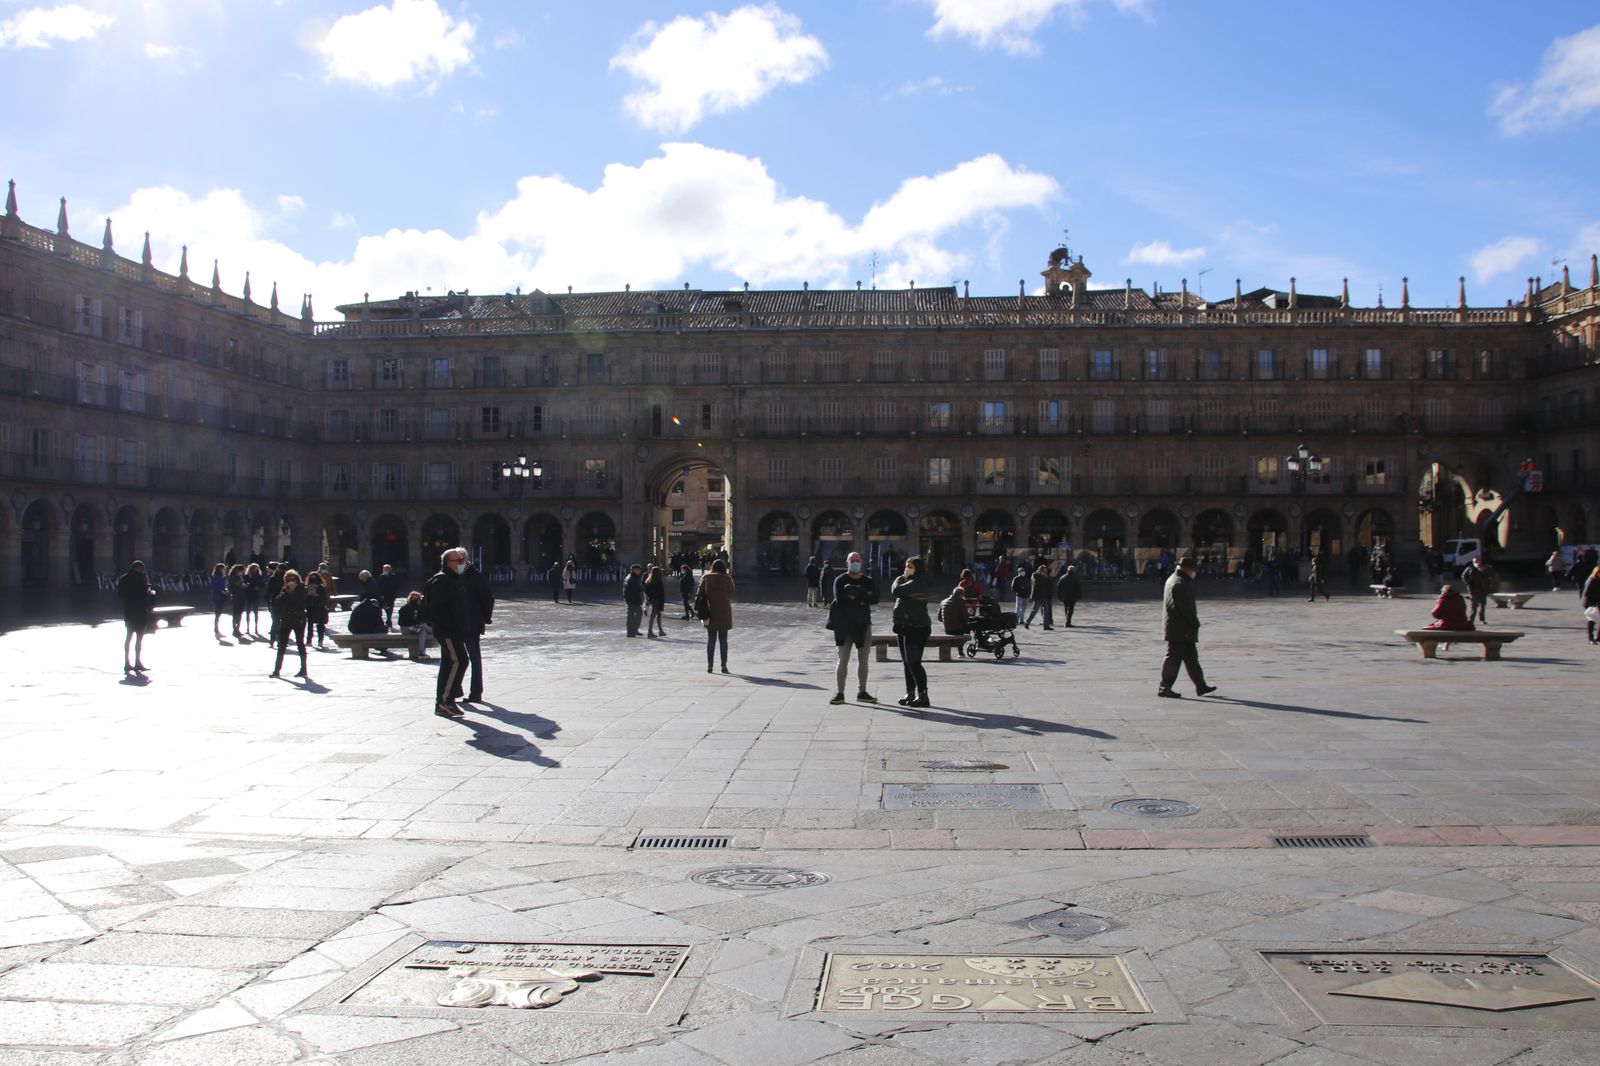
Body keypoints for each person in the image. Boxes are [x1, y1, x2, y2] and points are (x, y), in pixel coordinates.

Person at [1158, 555, 1217, 700]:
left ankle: (1201, 686)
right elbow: (1186, 610)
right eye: (1192, 570)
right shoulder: (1179, 583)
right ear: (1185, 569)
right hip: (1180, 629)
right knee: (1173, 659)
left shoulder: (1173, 579)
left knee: (1191, 659)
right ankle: (1164, 688)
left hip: (1178, 627)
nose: (1193, 573)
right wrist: (1195, 623)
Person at [424, 547, 471, 718]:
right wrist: (451, 626)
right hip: (448, 631)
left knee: (448, 664)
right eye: (458, 561)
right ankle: (446, 700)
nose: (462, 563)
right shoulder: (442, 580)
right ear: (447, 563)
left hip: (455, 630)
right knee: (460, 660)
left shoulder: (454, 579)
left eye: (462, 560)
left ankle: (443, 702)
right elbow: (438, 608)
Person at [828, 551, 879, 705]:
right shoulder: (840, 580)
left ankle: (862, 691)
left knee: (864, 660)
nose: (855, 563)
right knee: (842, 659)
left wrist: (854, 596)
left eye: (857, 560)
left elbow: (875, 598)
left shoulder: (868, 580)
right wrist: (862, 598)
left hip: (863, 624)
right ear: (847, 563)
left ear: (861, 562)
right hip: (844, 625)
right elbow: (840, 600)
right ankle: (840, 693)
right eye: (852, 560)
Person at [890, 556, 932, 708]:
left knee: (913, 662)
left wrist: (900, 578)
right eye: (906, 566)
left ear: (917, 569)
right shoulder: (912, 581)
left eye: (910, 567)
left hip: (916, 627)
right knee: (907, 662)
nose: (906, 569)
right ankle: (910, 693)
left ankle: (923, 695)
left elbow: (896, 590)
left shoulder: (918, 582)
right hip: (904, 625)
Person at [454, 560, 494, 702]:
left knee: (473, 657)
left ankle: (476, 692)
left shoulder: (476, 576)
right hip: (456, 623)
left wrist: (485, 618)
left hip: (471, 624)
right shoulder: (453, 576)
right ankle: (456, 689)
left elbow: (488, 599)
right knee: (456, 658)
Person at [115, 560, 156, 675]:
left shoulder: (123, 578)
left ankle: (126, 663)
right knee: (139, 638)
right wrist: (150, 591)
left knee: (128, 637)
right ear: (140, 568)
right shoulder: (141, 578)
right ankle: (137, 662)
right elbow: (145, 593)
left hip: (128, 611)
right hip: (139, 611)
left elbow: (120, 595)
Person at [269, 568, 309, 679]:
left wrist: (293, 592)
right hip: (286, 619)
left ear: (297, 579)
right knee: (282, 645)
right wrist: (287, 592)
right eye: (289, 580)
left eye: (294, 579)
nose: (291, 582)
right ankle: (277, 670)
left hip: (298, 618)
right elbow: (277, 602)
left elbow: (301, 603)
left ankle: (303, 669)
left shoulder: (302, 589)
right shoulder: (284, 589)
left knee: (300, 643)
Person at [700, 558, 734, 672]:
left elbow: (699, 594)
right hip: (724, 612)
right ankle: (723, 665)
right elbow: (732, 593)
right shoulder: (727, 579)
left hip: (710, 612)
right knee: (723, 640)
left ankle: (710, 666)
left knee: (711, 640)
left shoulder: (706, 578)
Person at [398, 590, 432, 657]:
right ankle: (433, 632)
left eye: (417, 598)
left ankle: (421, 651)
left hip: (416, 628)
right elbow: (402, 622)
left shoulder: (420, 608)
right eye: (413, 598)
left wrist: (419, 622)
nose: (415, 600)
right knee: (423, 626)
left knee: (423, 631)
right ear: (410, 598)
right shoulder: (404, 609)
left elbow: (424, 618)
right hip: (406, 628)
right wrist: (417, 622)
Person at [1461, 556, 1495, 624]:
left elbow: (1492, 574)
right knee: (1473, 605)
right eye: (1475, 561)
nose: (1477, 562)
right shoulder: (1470, 568)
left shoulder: (1486, 567)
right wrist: (1468, 583)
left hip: (1483, 589)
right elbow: (1463, 576)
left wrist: (1485, 570)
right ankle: (1471, 620)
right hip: (1473, 589)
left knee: (1483, 605)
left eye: (1478, 561)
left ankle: (1482, 619)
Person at [304, 571, 332, 646]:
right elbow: (303, 599)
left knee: (320, 625)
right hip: (310, 608)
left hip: (319, 608)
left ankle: (320, 640)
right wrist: (308, 595)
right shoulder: (306, 588)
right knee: (310, 625)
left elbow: (325, 599)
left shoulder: (321, 588)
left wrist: (317, 595)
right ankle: (309, 640)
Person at [1024, 562, 1054, 630]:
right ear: (1041, 570)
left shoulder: (1046, 576)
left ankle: (1046, 626)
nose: (1046, 572)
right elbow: (1036, 583)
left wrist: (1050, 594)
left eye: (1046, 570)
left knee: (1046, 611)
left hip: (1045, 596)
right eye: (1044, 570)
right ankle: (1027, 622)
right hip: (1037, 596)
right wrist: (1042, 576)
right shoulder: (1035, 575)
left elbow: (1049, 585)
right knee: (1034, 610)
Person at [644, 564, 667, 638]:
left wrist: (647, 600)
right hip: (657, 600)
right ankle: (650, 632)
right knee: (654, 615)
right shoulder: (658, 580)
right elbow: (661, 592)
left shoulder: (649, 580)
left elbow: (646, 591)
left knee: (657, 615)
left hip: (652, 600)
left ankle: (660, 631)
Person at [243, 562, 265, 637]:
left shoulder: (259, 576)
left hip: (255, 595)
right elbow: (244, 583)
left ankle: (256, 627)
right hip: (249, 594)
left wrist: (258, 587)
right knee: (248, 612)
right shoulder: (247, 575)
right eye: (255, 568)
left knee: (255, 612)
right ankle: (248, 627)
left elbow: (262, 584)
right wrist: (247, 586)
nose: (256, 570)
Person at [622, 563, 645, 637]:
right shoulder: (632, 578)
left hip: (632, 599)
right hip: (633, 600)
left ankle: (633, 630)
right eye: (639, 570)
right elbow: (634, 590)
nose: (640, 571)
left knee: (634, 615)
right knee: (633, 615)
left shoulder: (631, 577)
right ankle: (631, 632)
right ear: (635, 570)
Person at [207, 562, 229, 638]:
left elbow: (224, 586)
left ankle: (217, 630)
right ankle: (216, 630)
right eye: (223, 569)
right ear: (220, 570)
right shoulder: (216, 577)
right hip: (217, 597)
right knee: (217, 614)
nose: (224, 570)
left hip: (222, 597)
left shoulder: (223, 577)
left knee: (219, 613)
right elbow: (212, 586)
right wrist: (220, 591)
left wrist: (226, 590)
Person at [227, 563, 247, 638]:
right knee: (236, 613)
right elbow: (233, 587)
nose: (242, 573)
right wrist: (241, 585)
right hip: (237, 596)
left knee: (239, 613)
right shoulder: (234, 577)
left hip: (241, 596)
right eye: (241, 571)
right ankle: (235, 628)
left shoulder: (239, 577)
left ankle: (237, 628)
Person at [1583, 564, 1600, 644]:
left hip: (1597, 602)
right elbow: (1587, 593)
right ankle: (1591, 638)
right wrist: (1593, 603)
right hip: (1592, 603)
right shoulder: (1593, 580)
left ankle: (1598, 637)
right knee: (1592, 620)